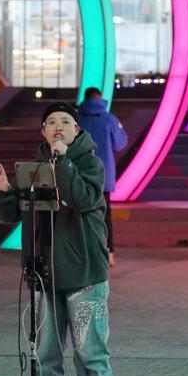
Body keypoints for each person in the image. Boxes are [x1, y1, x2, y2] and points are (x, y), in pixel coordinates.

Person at [0, 102, 112, 376]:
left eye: (65, 122)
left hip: (84, 275)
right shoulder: (34, 169)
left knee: (90, 355)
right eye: (51, 122)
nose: (58, 127)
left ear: (76, 130)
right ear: (43, 131)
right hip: (43, 275)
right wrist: (4, 192)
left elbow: (82, 199)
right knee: (45, 357)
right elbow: (11, 214)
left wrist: (63, 162)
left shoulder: (91, 164)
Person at [78, 87, 128, 267]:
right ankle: (108, 252)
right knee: (104, 216)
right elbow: (120, 143)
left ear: (85, 99)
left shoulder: (76, 120)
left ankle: (82, 254)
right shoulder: (109, 119)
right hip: (103, 176)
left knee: (80, 215)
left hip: (79, 176)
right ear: (100, 98)